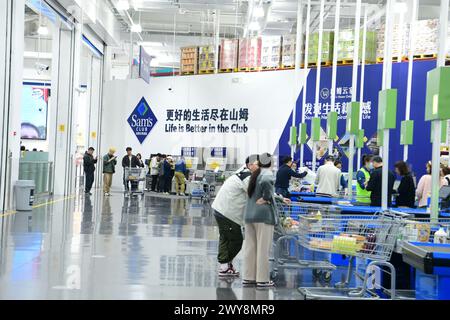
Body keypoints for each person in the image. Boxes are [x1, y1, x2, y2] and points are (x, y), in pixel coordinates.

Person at [243, 153, 290, 288]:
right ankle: (262, 280)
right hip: (263, 217)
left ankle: (249, 277)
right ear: (270, 162)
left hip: (249, 215)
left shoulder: (255, 174)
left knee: (250, 248)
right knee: (263, 249)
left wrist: (277, 198)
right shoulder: (267, 173)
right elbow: (267, 184)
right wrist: (266, 198)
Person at [212, 155, 259, 277]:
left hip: (220, 209)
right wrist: (276, 198)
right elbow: (256, 193)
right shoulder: (247, 176)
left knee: (225, 237)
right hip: (227, 212)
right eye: (257, 164)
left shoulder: (242, 173)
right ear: (249, 165)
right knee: (236, 240)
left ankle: (225, 266)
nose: (260, 167)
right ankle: (225, 265)